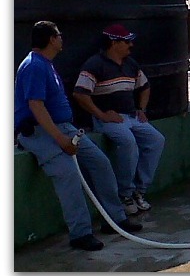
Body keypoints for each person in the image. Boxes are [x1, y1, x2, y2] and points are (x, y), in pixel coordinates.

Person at [14, 21, 143, 252]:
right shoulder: (34, 65)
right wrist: (60, 139)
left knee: (100, 163)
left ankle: (114, 219)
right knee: (68, 175)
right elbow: (36, 105)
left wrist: (66, 134)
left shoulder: (46, 64)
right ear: (51, 39)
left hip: (65, 128)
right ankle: (81, 233)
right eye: (59, 35)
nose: (62, 39)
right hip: (40, 132)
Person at [73, 24, 165, 216]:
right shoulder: (94, 64)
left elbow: (145, 87)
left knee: (156, 140)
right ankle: (125, 195)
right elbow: (80, 94)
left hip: (131, 116)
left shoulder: (131, 64)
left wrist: (141, 109)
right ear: (113, 43)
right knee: (128, 142)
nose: (131, 45)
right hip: (108, 119)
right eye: (126, 41)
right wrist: (101, 115)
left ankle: (140, 190)